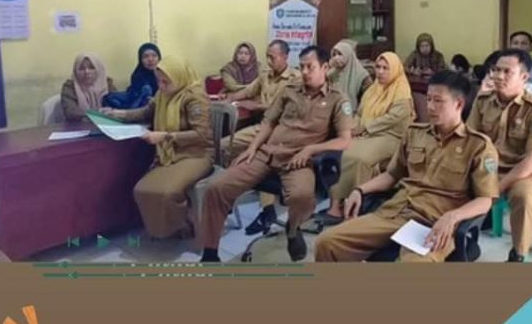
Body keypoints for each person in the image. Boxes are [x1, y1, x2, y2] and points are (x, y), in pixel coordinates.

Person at [314, 70, 499, 262]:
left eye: (438, 101)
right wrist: (359, 190)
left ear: (458, 104)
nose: (430, 106)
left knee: (413, 264)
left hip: (436, 221)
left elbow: (485, 199)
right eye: (428, 99)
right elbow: (391, 175)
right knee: (326, 242)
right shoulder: (414, 133)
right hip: (396, 212)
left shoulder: (478, 146)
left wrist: (453, 217)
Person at [199, 46, 353, 263]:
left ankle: (293, 228)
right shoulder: (290, 89)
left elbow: (345, 140)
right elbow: (269, 121)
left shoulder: (338, 99)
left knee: (302, 198)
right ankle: (210, 254)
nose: (304, 72)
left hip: (297, 160)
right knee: (216, 188)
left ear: (325, 67)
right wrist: (252, 147)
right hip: (267, 152)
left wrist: (311, 149)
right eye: (302, 67)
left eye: (310, 67)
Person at [102, 56, 214, 239]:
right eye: (159, 81)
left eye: (165, 82)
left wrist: (165, 136)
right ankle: (177, 226)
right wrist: (118, 114)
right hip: (171, 152)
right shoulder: (163, 94)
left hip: (196, 154)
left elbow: (201, 135)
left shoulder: (194, 97)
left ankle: (187, 223)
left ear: (178, 77)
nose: (161, 86)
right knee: (142, 190)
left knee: (166, 193)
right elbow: (146, 112)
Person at [467, 49, 532, 262]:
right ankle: (459, 240)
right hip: (488, 167)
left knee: (524, 196)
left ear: (524, 77)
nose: (499, 76)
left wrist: (497, 187)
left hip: (523, 172)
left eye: (507, 72)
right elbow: (470, 139)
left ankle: (518, 254)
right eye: (496, 70)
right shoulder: (482, 101)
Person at [319, 52, 414, 225]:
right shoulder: (372, 89)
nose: (380, 72)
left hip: (391, 136)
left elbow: (393, 119)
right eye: (378, 67)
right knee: (340, 151)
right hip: (367, 134)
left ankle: (356, 206)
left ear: (395, 70)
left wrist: (366, 127)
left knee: (359, 158)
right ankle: (336, 204)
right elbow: (360, 113)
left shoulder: (402, 92)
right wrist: (352, 127)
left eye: (385, 68)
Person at [219, 39, 301, 235]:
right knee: (223, 146)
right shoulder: (265, 75)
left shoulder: (295, 79)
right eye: (267, 57)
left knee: (263, 157)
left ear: (285, 57)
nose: (269, 61)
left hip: (283, 130)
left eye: (273, 57)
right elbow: (248, 91)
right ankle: (229, 193)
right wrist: (229, 98)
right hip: (263, 126)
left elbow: (285, 108)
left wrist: (256, 105)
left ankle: (267, 210)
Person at [102, 43, 161, 109]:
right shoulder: (138, 74)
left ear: (159, 58)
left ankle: (128, 111)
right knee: (108, 98)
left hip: (152, 104)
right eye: (145, 56)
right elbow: (133, 94)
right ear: (140, 60)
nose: (150, 59)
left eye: (154, 56)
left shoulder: (163, 75)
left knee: (147, 89)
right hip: (134, 99)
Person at [61, 53, 116, 122]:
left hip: (107, 124)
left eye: (91, 68)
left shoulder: (108, 84)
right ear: (75, 71)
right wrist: (98, 113)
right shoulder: (70, 87)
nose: (87, 72)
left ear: (99, 69)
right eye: (81, 68)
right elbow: (70, 112)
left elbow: (118, 107)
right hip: (78, 126)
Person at [328, 40, 372, 111]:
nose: (336, 57)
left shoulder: (362, 77)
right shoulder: (331, 74)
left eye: (340, 54)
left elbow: (368, 100)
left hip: (355, 113)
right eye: (334, 55)